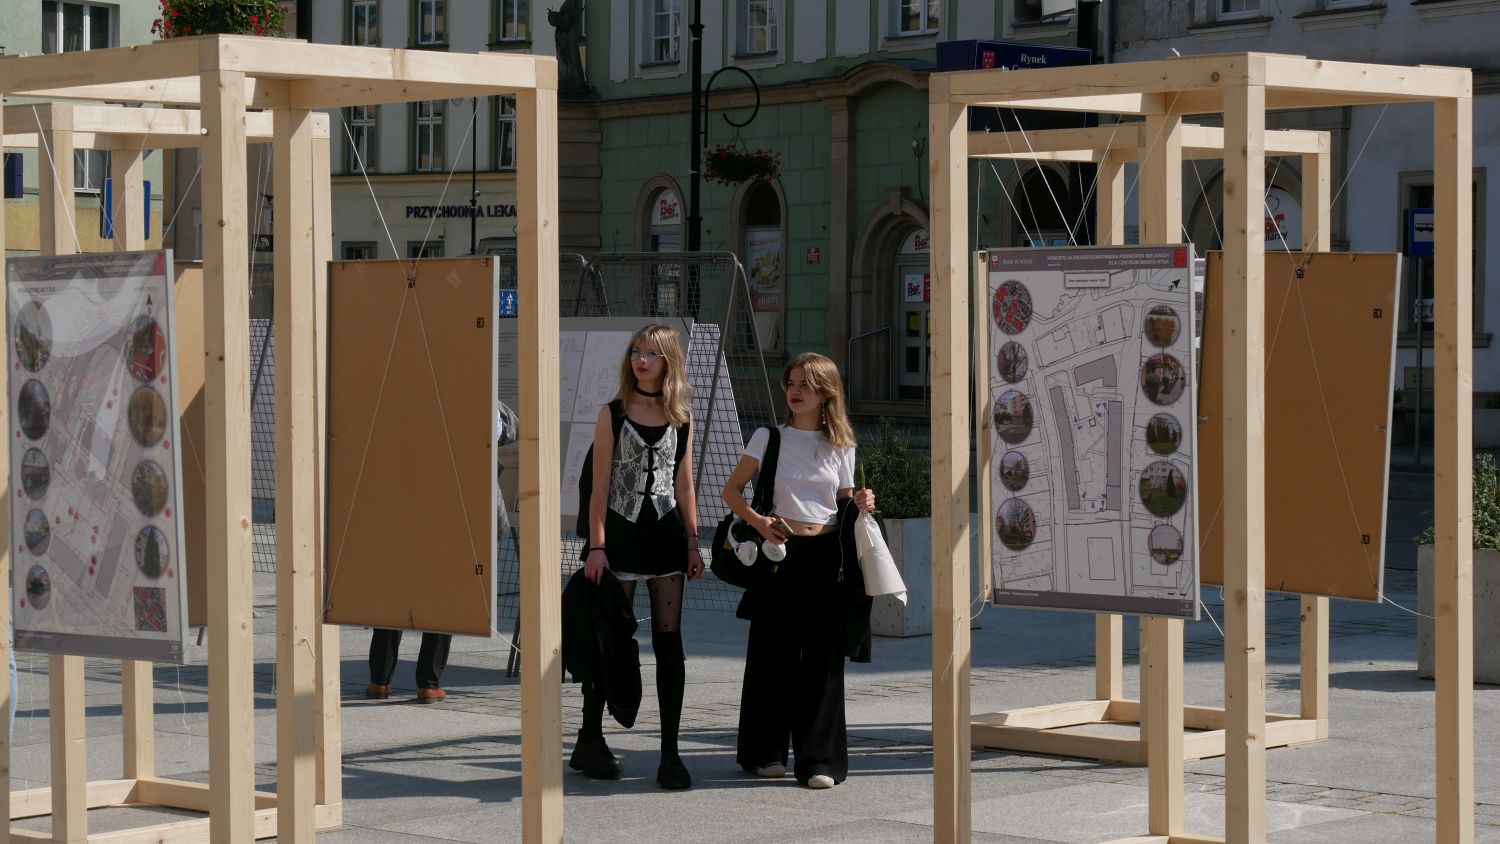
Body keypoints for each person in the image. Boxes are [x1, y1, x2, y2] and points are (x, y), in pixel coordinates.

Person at [722, 352, 876, 790]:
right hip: (779, 554)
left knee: (823, 659)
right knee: (773, 655)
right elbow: (732, 491)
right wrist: (759, 522)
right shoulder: (768, 437)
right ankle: (766, 753)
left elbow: (843, 502)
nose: (794, 391)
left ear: (825, 392)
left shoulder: (841, 443)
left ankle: (818, 761)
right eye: (790, 383)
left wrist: (862, 502)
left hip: (827, 556)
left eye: (805, 384)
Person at [575, 323, 705, 790]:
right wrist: (597, 546)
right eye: (636, 351)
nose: (641, 360)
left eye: (651, 353)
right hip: (620, 538)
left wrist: (693, 542)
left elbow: (684, 485)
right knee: (609, 641)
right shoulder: (612, 413)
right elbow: (599, 486)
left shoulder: (682, 417)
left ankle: (670, 753)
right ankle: (591, 737)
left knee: (669, 644)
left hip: (666, 538)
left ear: (668, 361)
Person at [365, 399, 521, 704]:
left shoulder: (405, 396)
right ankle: (428, 683)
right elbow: (508, 429)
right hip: (454, 506)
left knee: (395, 594)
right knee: (443, 596)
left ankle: (378, 681)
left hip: (406, 503)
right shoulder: (474, 397)